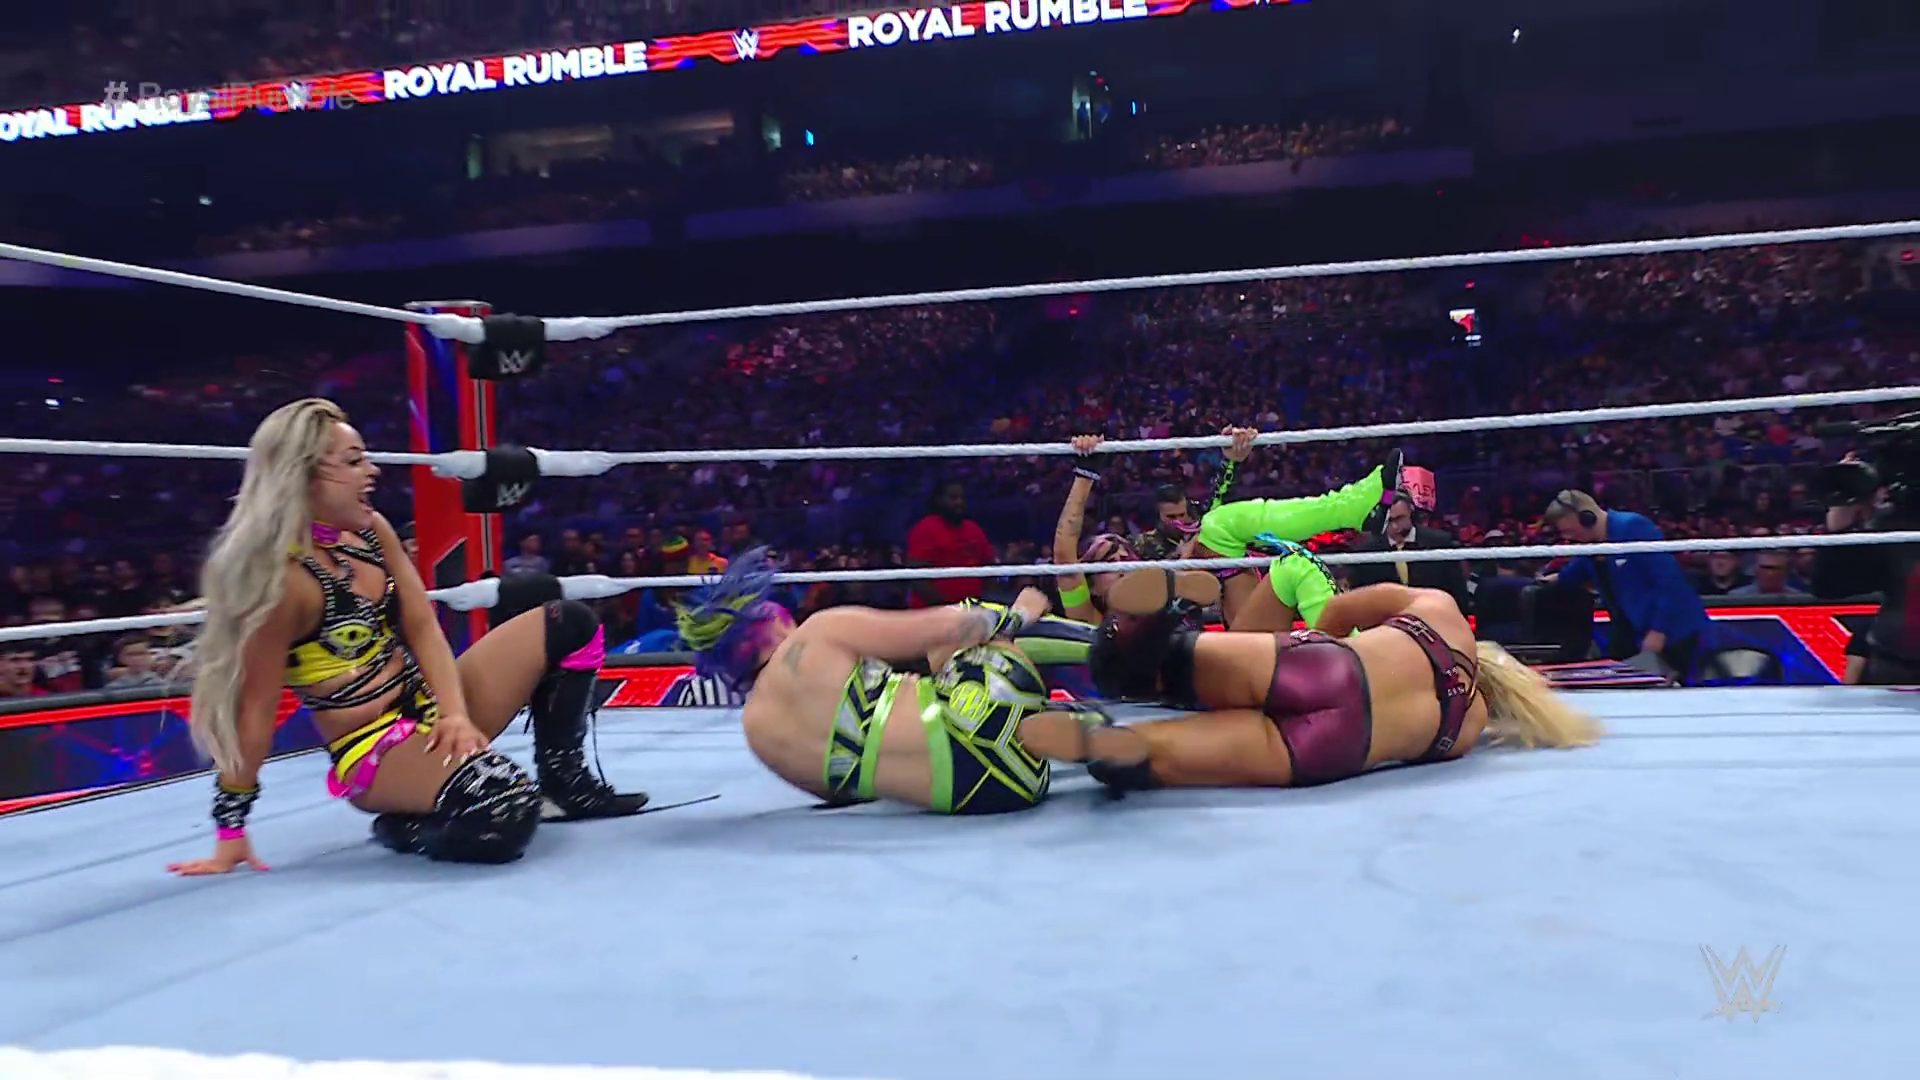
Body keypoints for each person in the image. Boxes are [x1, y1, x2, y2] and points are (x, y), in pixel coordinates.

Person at [168, 399, 648, 874]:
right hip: (374, 746)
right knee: (505, 808)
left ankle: (566, 784)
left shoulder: (370, 531)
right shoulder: (280, 583)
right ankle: (404, 827)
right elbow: (256, 710)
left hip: (430, 705)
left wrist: (454, 714)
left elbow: (422, 627)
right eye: (354, 462)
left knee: (570, 622)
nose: (372, 471)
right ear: (305, 477)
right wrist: (230, 829)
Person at [1065, 569, 1601, 795]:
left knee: (1153, 663)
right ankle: (1112, 743)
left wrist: (1312, 650)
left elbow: (1341, 610)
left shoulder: (1441, 611)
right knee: (1143, 756)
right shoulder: (1468, 727)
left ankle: (1150, 644)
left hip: (1332, 668)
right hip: (1337, 750)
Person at [674, 548, 1126, 815]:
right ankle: (1118, 651)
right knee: (968, 625)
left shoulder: (758, 732)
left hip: (987, 795)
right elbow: (946, 627)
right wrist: (1021, 613)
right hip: (988, 720)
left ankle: (1061, 724)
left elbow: (842, 795)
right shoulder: (817, 633)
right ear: (767, 621)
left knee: (934, 680)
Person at [1193, 448, 1406, 625]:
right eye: (1175, 518)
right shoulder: (1176, 552)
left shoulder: (1204, 536)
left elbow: (1209, 516)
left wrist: (1231, 462)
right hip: (1224, 642)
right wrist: (1181, 576)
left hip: (1243, 629)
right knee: (1220, 525)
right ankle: (1351, 508)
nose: (1180, 522)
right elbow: (1202, 589)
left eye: (1183, 516)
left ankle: (1353, 508)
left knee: (1291, 564)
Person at [1538, 489, 1711, 683]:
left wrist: (1659, 631)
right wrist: (1556, 579)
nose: (1568, 537)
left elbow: (1670, 582)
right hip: (1630, 626)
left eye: (1569, 530)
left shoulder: (1632, 527)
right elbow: (1578, 567)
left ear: (1587, 518)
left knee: (1671, 689)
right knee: (1618, 679)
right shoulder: (1591, 546)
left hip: (1672, 627)